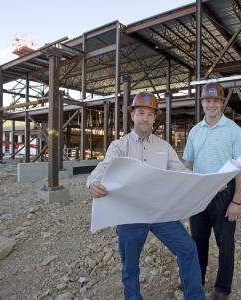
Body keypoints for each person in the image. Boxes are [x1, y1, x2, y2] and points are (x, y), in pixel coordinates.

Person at [86, 91, 205, 300]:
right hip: (129, 216)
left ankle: (195, 296)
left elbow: (181, 171)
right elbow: (101, 170)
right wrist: (92, 184)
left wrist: (206, 180)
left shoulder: (163, 147)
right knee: (130, 265)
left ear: (154, 118)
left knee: (188, 248)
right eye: (141, 113)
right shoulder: (119, 147)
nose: (145, 118)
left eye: (150, 114)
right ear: (132, 115)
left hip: (160, 213)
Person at [183, 82, 241, 300]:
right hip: (199, 194)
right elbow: (188, 164)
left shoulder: (234, 131)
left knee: (226, 245)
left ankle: (222, 289)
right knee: (197, 242)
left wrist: (236, 202)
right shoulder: (195, 131)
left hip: (224, 195)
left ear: (222, 103)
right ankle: (196, 281)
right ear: (202, 103)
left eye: (216, 100)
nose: (211, 104)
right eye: (207, 100)